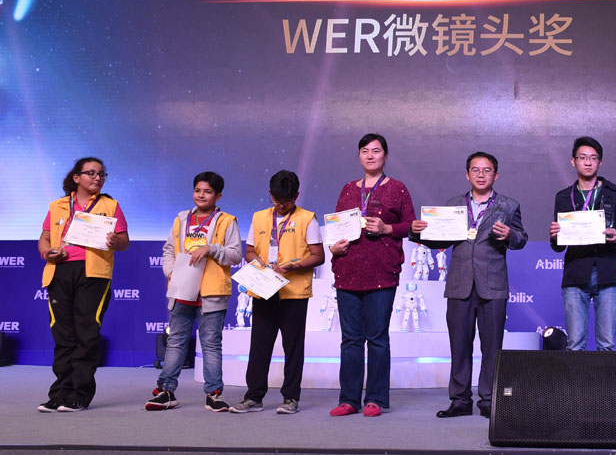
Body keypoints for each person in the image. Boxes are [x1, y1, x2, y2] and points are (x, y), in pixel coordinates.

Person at [412, 151, 527, 419]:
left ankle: (489, 399)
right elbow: (439, 240)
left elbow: (521, 239)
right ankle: (460, 400)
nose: (481, 174)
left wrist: (510, 234)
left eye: (487, 170)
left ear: (496, 175)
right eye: (475, 170)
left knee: (492, 347)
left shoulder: (509, 205)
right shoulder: (453, 205)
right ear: (467, 175)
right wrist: (418, 232)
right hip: (459, 284)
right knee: (459, 345)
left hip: (493, 285)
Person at [327, 133, 416, 418]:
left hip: (382, 272)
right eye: (364, 151)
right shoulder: (347, 189)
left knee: (377, 338)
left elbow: (411, 225)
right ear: (359, 156)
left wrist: (387, 229)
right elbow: (337, 227)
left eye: (375, 151)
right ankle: (349, 399)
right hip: (348, 271)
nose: (370, 155)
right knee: (350, 339)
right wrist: (333, 247)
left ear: (385, 155)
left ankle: (375, 398)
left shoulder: (397, 188)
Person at [37, 158, 130, 413]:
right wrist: (47, 253)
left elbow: (124, 242)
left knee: (86, 334)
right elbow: (44, 239)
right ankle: (59, 394)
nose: (97, 178)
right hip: (59, 272)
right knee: (63, 335)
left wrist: (115, 241)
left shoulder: (110, 205)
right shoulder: (57, 205)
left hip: (94, 275)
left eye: (101, 174)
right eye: (91, 173)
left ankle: (79, 395)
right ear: (76, 177)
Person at [146, 172, 242, 412]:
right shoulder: (181, 219)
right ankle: (166, 391)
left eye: (207, 191)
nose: (201, 195)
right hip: (182, 289)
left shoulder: (227, 221)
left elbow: (235, 255)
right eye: (197, 190)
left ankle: (214, 394)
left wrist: (211, 249)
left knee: (210, 344)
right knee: (176, 341)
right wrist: (171, 272)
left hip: (211, 292)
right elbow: (169, 250)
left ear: (218, 196)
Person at [231, 170, 325, 414]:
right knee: (259, 346)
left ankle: (290, 398)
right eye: (277, 200)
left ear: (296, 196)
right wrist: (259, 263)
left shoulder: (307, 218)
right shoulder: (259, 217)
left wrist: (295, 265)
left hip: (294, 293)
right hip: (264, 290)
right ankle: (254, 397)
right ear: (270, 194)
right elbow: (249, 251)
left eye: (287, 201)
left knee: (293, 347)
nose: (281, 205)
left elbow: (319, 256)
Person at [547, 137, 616, 351]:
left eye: (593, 158)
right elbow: (558, 246)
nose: (588, 162)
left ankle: (604, 377)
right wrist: (555, 236)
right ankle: (577, 377)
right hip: (575, 273)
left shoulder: (615, 193)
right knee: (575, 344)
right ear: (573, 161)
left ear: (600, 162)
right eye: (582, 158)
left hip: (607, 272)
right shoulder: (563, 197)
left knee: (607, 344)